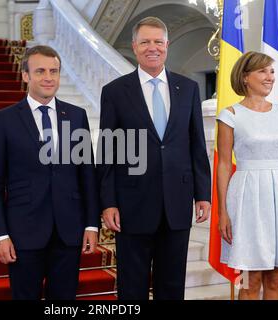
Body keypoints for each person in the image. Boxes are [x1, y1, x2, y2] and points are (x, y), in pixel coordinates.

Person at [97, 17, 211, 300]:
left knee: (172, 286)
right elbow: (107, 151)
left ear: (167, 45)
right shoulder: (114, 92)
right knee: (131, 286)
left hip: (177, 203)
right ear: (135, 47)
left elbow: (197, 144)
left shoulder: (188, 89)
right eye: (145, 42)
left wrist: (203, 194)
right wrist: (108, 202)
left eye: (158, 42)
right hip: (131, 205)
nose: (152, 48)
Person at [0, 45, 100, 300]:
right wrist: (0, 234)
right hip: (23, 231)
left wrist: (92, 224)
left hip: (69, 230)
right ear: (26, 75)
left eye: (54, 71)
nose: (48, 77)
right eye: (40, 71)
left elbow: (87, 175)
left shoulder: (77, 116)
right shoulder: (4, 120)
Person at [217, 51, 278, 300]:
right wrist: (223, 212)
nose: (270, 77)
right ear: (245, 77)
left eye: (272, 71)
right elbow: (224, 165)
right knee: (249, 281)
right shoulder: (230, 114)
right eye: (263, 71)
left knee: (276, 278)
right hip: (246, 198)